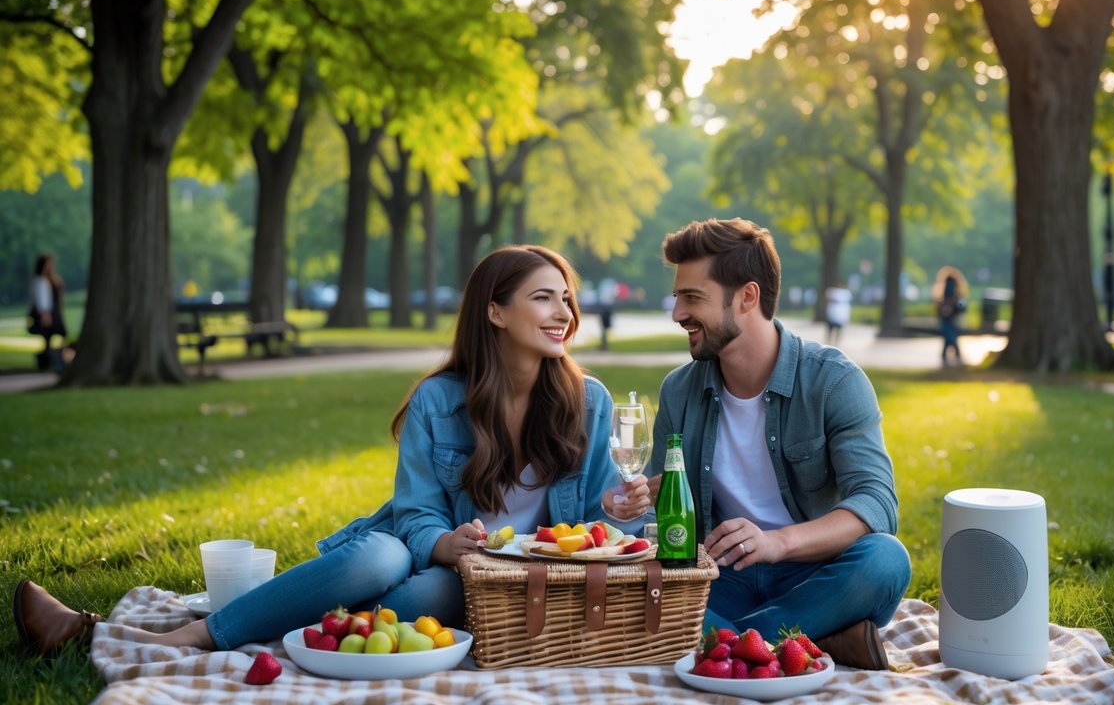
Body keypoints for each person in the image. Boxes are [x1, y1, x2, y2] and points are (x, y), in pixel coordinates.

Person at [13, 245, 651, 656]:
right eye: (544, 296)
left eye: (566, 296)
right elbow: (416, 515)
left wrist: (620, 509)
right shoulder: (440, 400)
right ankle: (196, 635)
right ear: (494, 312)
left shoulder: (587, 401)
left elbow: (598, 530)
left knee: (424, 604)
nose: (564, 310)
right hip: (430, 555)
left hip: (502, 586)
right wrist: (446, 544)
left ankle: (238, 628)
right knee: (376, 556)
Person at [647, 218, 911, 670]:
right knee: (644, 587)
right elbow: (665, 520)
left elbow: (876, 501)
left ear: (748, 296)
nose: (677, 314)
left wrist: (777, 543)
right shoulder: (678, 391)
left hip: (812, 570)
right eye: (677, 298)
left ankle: (728, 643)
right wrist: (637, 503)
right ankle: (817, 636)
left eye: (693, 298)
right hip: (720, 576)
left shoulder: (833, 381)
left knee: (886, 560)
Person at [28, 253, 68, 372]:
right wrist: (45, 314)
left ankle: (53, 362)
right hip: (47, 314)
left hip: (54, 312)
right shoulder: (40, 281)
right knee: (48, 338)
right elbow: (42, 299)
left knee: (51, 338)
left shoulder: (50, 279)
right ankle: (50, 363)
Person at [933, 266, 969, 366]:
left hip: (949, 314)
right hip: (950, 315)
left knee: (948, 333)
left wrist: (946, 307)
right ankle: (955, 353)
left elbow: (948, 298)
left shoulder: (948, 284)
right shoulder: (956, 286)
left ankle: (948, 353)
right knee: (949, 333)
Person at [823, 281, 852, 346]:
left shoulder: (844, 294)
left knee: (837, 330)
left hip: (840, 315)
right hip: (833, 314)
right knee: (831, 329)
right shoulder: (835, 293)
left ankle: (834, 343)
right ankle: (830, 343)